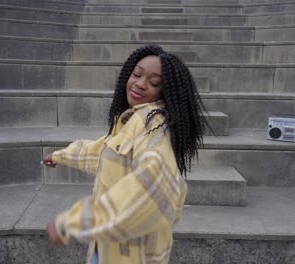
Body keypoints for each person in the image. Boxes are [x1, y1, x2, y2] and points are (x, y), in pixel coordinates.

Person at [42, 44, 208, 264]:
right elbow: (102, 152)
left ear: (166, 90)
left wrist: (73, 222)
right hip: (108, 247)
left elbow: (151, 186)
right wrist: (61, 155)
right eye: (137, 74)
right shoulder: (130, 121)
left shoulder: (153, 125)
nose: (140, 84)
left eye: (154, 82)